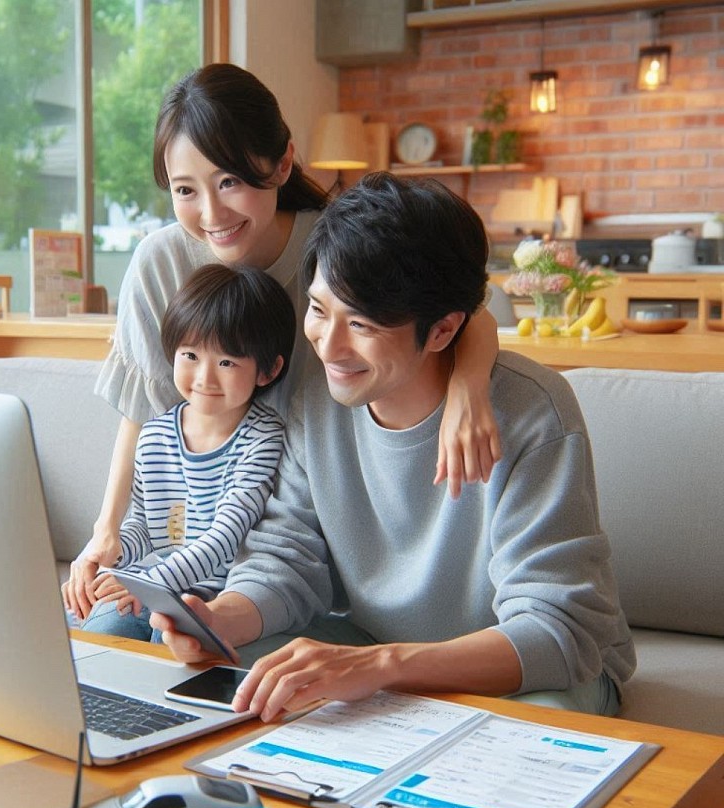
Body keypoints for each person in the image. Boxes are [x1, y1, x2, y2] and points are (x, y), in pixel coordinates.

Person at [149, 173, 636, 721]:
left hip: (523, 670)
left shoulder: (533, 412)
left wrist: (382, 666)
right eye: (317, 309)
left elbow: (558, 631)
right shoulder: (315, 397)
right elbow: (286, 558)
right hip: (370, 644)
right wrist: (223, 619)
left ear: (444, 330)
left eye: (360, 323)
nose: (329, 345)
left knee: (530, 732)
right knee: (232, 683)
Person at [61, 63, 502, 620]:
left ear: (283, 162)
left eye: (231, 181)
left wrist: (469, 387)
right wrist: (108, 533)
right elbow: (144, 417)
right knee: (101, 637)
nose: (212, 213)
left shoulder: (333, 244)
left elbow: (463, 310)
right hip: (195, 539)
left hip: (305, 539)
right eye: (185, 190)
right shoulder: (161, 262)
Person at [70, 263, 295, 640]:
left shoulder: (263, 437)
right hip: (152, 581)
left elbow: (225, 537)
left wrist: (148, 584)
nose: (205, 377)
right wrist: (111, 561)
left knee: (168, 639)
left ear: (268, 371)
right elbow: (144, 526)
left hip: (218, 597)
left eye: (226, 362)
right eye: (190, 356)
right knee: (101, 629)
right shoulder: (155, 434)